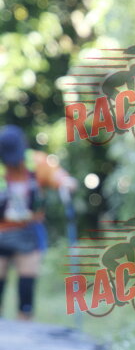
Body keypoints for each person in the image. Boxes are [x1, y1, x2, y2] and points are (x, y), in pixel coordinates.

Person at [0, 125, 77, 320]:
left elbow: (57, 175)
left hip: (28, 230)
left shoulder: (38, 162)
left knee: (26, 285)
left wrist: (66, 182)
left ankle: (25, 324)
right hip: (1, 230)